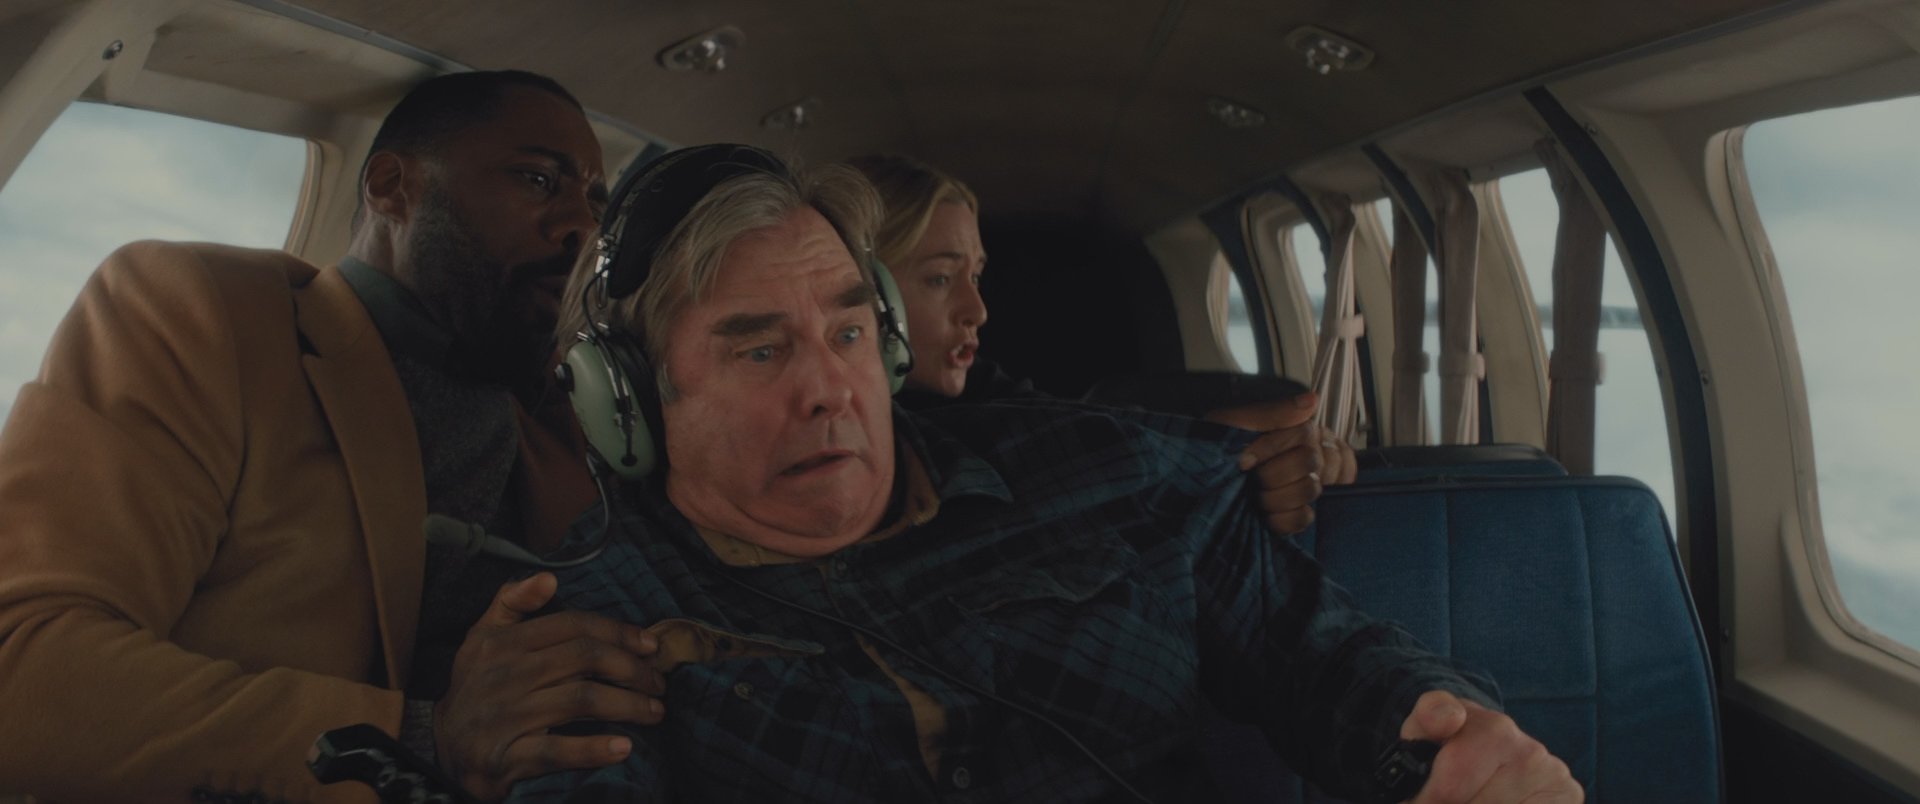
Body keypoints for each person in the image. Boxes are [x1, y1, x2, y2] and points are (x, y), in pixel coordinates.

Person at [510, 144, 1579, 802]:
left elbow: (1323, 653)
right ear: (628, 403)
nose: (831, 390)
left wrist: (1444, 737)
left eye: (848, 333)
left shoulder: (1105, 469)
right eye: (758, 350)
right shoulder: (598, 627)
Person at [0, 71, 664, 802]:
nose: (581, 228)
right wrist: (419, 739)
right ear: (390, 187)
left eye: (596, 204)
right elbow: (24, 668)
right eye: (537, 179)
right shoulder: (204, 314)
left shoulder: (580, 413)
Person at [848, 154, 1358, 535]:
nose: (977, 310)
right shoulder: (836, 439)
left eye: (976, 276)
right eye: (940, 278)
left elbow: (1076, 431)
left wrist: (1229, 444)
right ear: (864, 291)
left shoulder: (982, 387)